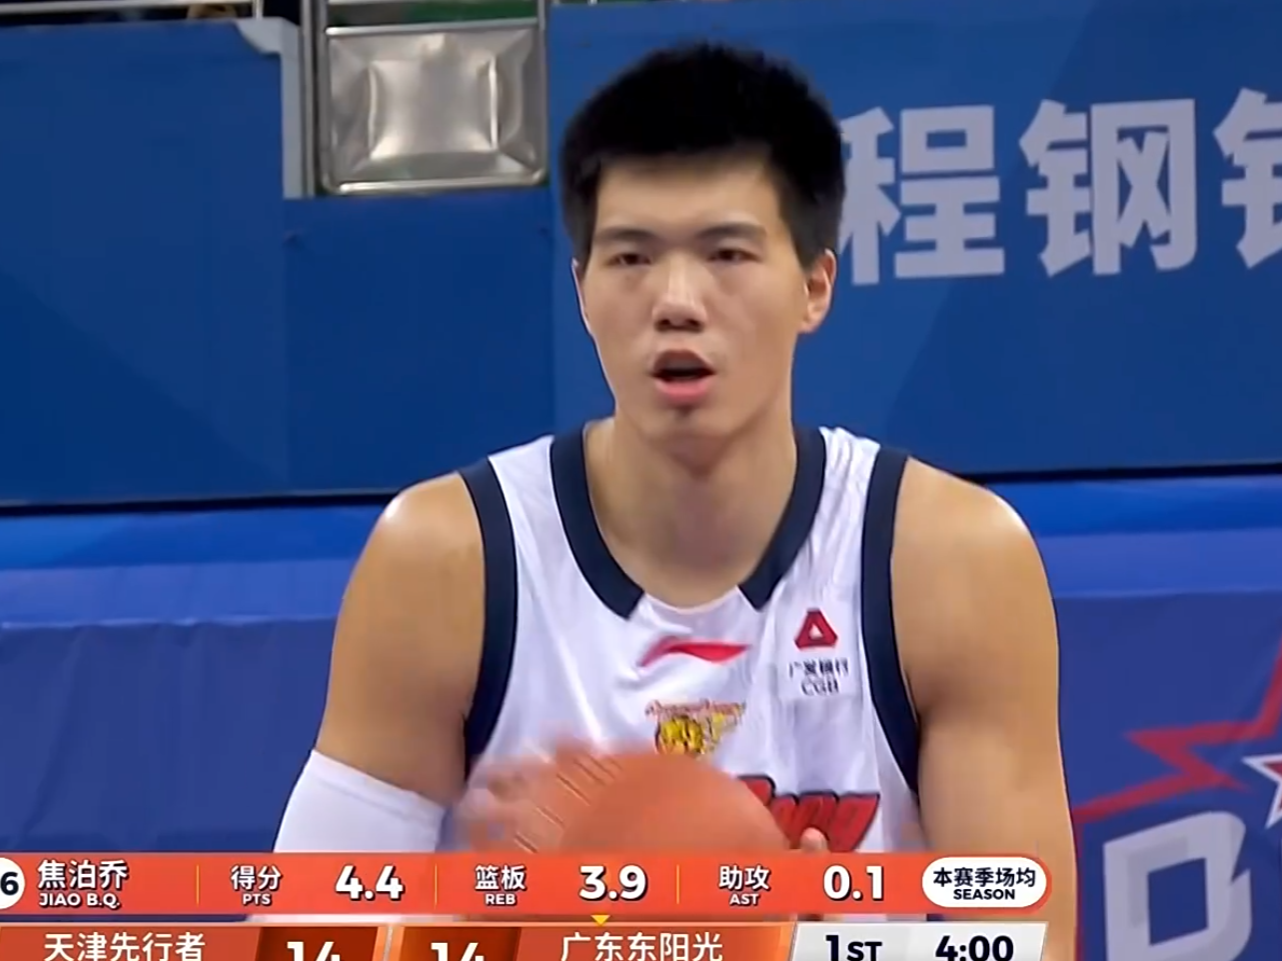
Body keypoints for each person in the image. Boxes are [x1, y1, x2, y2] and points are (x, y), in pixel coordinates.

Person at [273, 42, 1077, 957]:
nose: (677, 301)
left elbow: (1027, 943)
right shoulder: (448, 560)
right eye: (631, 258)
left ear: (814, 285)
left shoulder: (945, 562)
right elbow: (309, 936)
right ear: (582, 291)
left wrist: (801, 946)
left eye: (727, 253)